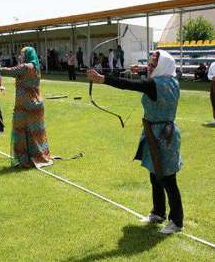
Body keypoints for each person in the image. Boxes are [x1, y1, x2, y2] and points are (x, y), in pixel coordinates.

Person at [87, 50, 184, 234]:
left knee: (168, 179)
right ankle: (158, 212)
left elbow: (128, 84)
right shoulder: (173, 81)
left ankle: (177, 221)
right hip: (165, 132)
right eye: (150, 63)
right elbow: (149, 78)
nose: (150, 66)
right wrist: (143, 68)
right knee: (155, 174)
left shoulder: (154, 84)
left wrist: (102, 79)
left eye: (154, 64)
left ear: (162, 65)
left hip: (160, 135)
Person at [0, 47, 53, 168]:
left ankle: (27, 157)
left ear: (27, 55)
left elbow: (9, 70)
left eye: (22, 54)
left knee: (22, 131)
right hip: (36, 105)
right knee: (35, 132)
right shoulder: (35, 67)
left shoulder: (26, 67)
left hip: (25, 105)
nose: (20, 57)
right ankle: (38, 154)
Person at [207, 61, 215, 125]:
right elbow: (209, 75)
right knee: (214, 101)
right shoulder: (213, 64)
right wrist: (212, 77)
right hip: (214, 84)